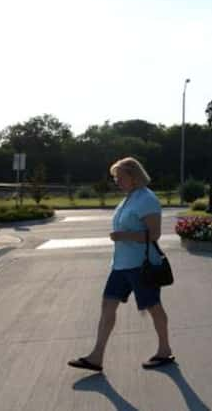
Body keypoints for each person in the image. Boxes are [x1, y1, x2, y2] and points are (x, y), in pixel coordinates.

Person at [68, 157, 174, 372]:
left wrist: (124, 235)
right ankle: (96, 357)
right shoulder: (129, 198)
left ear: (133, 177)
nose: (117, 181)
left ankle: (164, 350)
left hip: (141, 264)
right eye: (115, 177)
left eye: (120, 177)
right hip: (121, 265)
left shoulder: (146, 199)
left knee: (153, 307)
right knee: (108, 305)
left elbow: (154, 233)